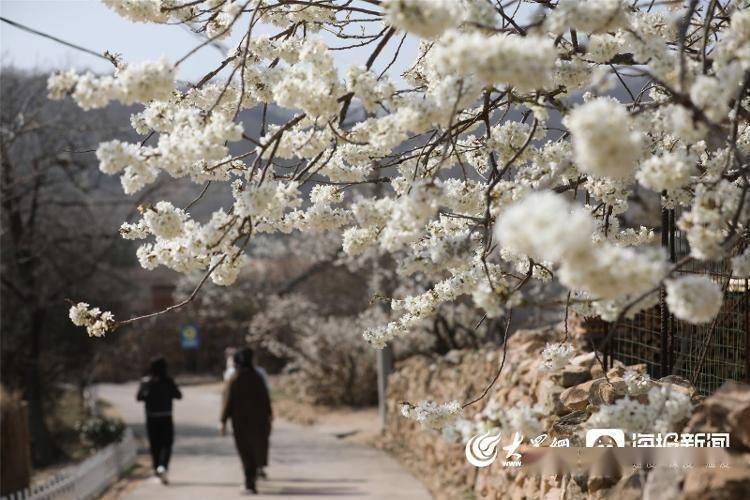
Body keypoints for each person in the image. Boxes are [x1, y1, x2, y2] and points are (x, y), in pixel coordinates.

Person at [220, 348, 272, 494]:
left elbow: (227, 402)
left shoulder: (234, 379)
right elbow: (266, 400)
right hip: (259, 421)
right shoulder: (258, 378)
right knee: (255, 449)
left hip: (240, 423)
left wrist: (223, 421)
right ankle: (252, 479)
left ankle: (249, 483)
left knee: (245, 452)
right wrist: (269, 415)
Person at [136, 356, 182, 485]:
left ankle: (157, 468)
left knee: (155, 445)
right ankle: (163, 467)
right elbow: (178, 395)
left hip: (151, 418)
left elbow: (139, 397)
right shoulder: (168, 381)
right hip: (166, 416)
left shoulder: (146, 381)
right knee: (167, 444)